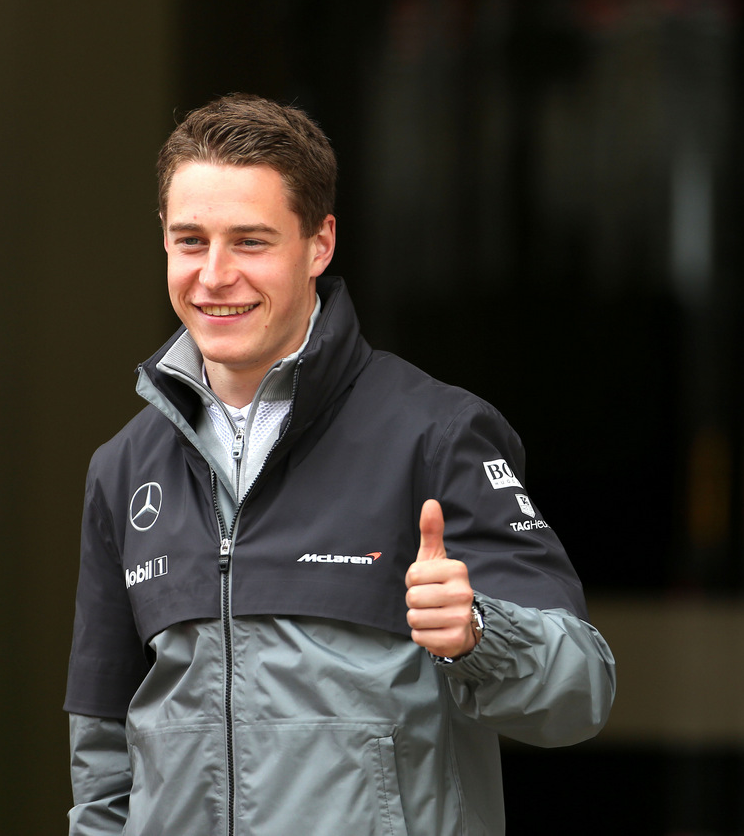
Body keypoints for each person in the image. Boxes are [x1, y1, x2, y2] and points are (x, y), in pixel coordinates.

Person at [65, 93, 616, 836]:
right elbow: (103, 758)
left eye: (251, 242)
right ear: (163, 236)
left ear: (319, 244)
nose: (215, 275)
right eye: (191, 240)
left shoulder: (436, 435)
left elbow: (581, 693)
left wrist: (480, 633)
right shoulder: (124, 468)